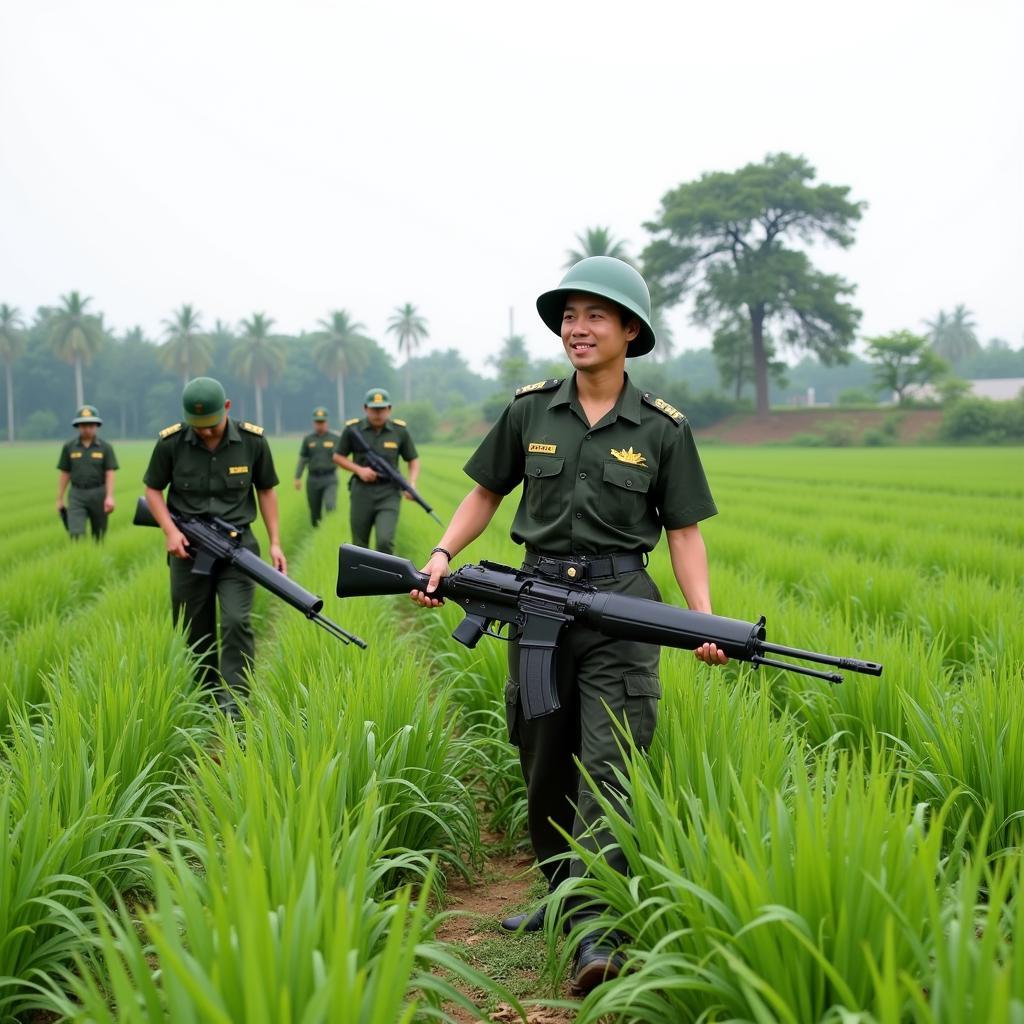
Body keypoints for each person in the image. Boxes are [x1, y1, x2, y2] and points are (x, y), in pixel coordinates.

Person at [410, 257, 727, 995]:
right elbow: (485, 492)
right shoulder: (530, 411)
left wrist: (702, 618)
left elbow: (684, 533)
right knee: (543, 752)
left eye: (594, 316)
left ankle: (596, 925)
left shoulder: (661, 429)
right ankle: (559, 893)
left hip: (622, 605)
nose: (577, 328)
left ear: (630, 331)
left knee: (610, 766)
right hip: (539, 600)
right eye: (569, 316)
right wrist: (439, 553)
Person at [142, 376, 286, 714]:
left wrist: (276, 542)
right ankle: (204, 699)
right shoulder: (171, 443)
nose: (206, 432)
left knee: (237, 621)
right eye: (199, 426)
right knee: (194, 625)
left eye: (212, 425)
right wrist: (169, 531)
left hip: (237, 548)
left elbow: (266, 490)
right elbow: (152, 490)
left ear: (227, 408)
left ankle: (234, 704)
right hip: (188, 548)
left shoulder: (252, 441)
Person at [333, 388, 421, 554]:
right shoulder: (353, 430)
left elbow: (413, 459)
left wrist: (412, 483)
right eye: (374, 409)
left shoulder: (399, 431)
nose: (378, 414)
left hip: (389, 493)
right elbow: (338, 457)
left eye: (382, 409)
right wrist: (359, 470)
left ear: (389, 409)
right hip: (362, 492)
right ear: (365, 408)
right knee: (359, 545)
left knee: (384, 541)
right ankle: (362, 580)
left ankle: (385, 580)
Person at [56, 404, 118, 541]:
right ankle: (79, 556)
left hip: (99, 493)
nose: (87, 429)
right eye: (83, 425)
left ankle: (95, 559)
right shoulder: (69, 447)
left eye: (91, 425)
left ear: (96, 426)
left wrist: (109, 496)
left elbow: (110, 473)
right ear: (78, 426)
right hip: (77, 494)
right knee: (76, 533)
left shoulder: (105, 447)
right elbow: (65, 473)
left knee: (99, 535)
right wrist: (59, 498)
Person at [294, 405, 340, 527]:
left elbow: (342, 456)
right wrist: (297, 477)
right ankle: (316, 531)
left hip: (330, 478)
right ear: (314, 423)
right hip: (313, 479)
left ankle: (331, 529)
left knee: (330, 506)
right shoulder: (308, 439)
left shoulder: (335, 438)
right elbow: (303, 459)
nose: (320, 425)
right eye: (317, 422)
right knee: (314, 512)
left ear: (327, 422)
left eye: (322, 422)